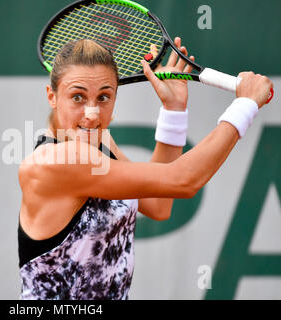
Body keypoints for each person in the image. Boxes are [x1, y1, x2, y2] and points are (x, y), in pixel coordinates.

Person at [17, 38, 273, 300]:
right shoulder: (55, 162)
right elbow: (183, 180)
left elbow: (158, 205)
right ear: (52, 96)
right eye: (78, 97)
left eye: (104, 97)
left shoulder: (101, 142)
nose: (92, 113)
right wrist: (245, 105)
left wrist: (174, 109)